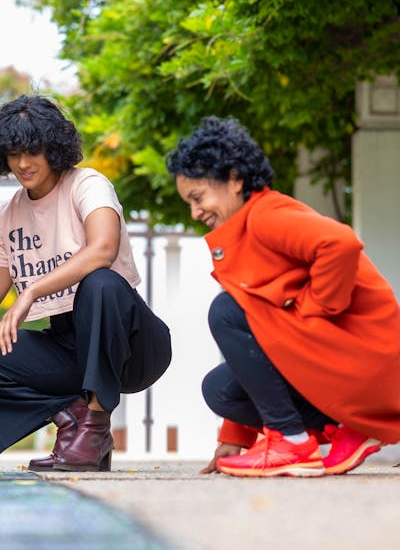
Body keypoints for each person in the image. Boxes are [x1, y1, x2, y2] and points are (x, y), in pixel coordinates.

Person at [166, 115, 400, 478]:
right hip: (344, 365)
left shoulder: (266, 215)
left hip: (365, 359)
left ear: (235, 179)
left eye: (198, 197)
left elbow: (340, 243)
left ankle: (291, 442)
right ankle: (347, 429)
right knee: (222, 390)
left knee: (226, 310)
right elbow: (258, 345)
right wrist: (234, 435)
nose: (196, 212)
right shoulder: (248, 227)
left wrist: (316, 307)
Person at [0, 94, 171, 471]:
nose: (23, 163)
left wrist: (31, 291)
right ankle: (71, 416)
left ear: (54, 146)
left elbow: (103, 249)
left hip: (129, 341)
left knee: (100, 283)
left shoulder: (87, 184)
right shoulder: (10, 214)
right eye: (13, 153)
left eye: (33, 151)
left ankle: (94, 424)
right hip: (66, 349)